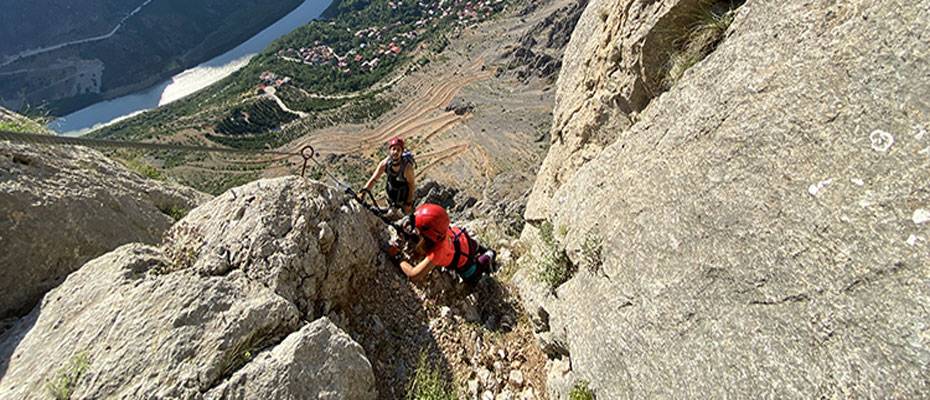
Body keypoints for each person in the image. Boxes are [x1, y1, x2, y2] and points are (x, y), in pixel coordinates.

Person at [391, 203, 496, 285]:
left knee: (472, 278)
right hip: (460, 238)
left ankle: (489, 255)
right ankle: (482, 249)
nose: (414, 231)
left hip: (464, 257)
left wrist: (398, 257)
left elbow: (414, 275)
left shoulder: (438, 251)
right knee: (474, 246)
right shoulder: (437, 231)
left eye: (418, 231)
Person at [362, 136, 416, 218]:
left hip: (404, 200)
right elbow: (373, 179)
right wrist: (363, 193)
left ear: (402, 152)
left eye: (398, 150)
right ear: (390, 150)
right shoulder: (384, 164)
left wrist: (408, 203)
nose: (395, 152)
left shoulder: (407, 168)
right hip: (391, 198)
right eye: (393, 149)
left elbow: (411, 185)